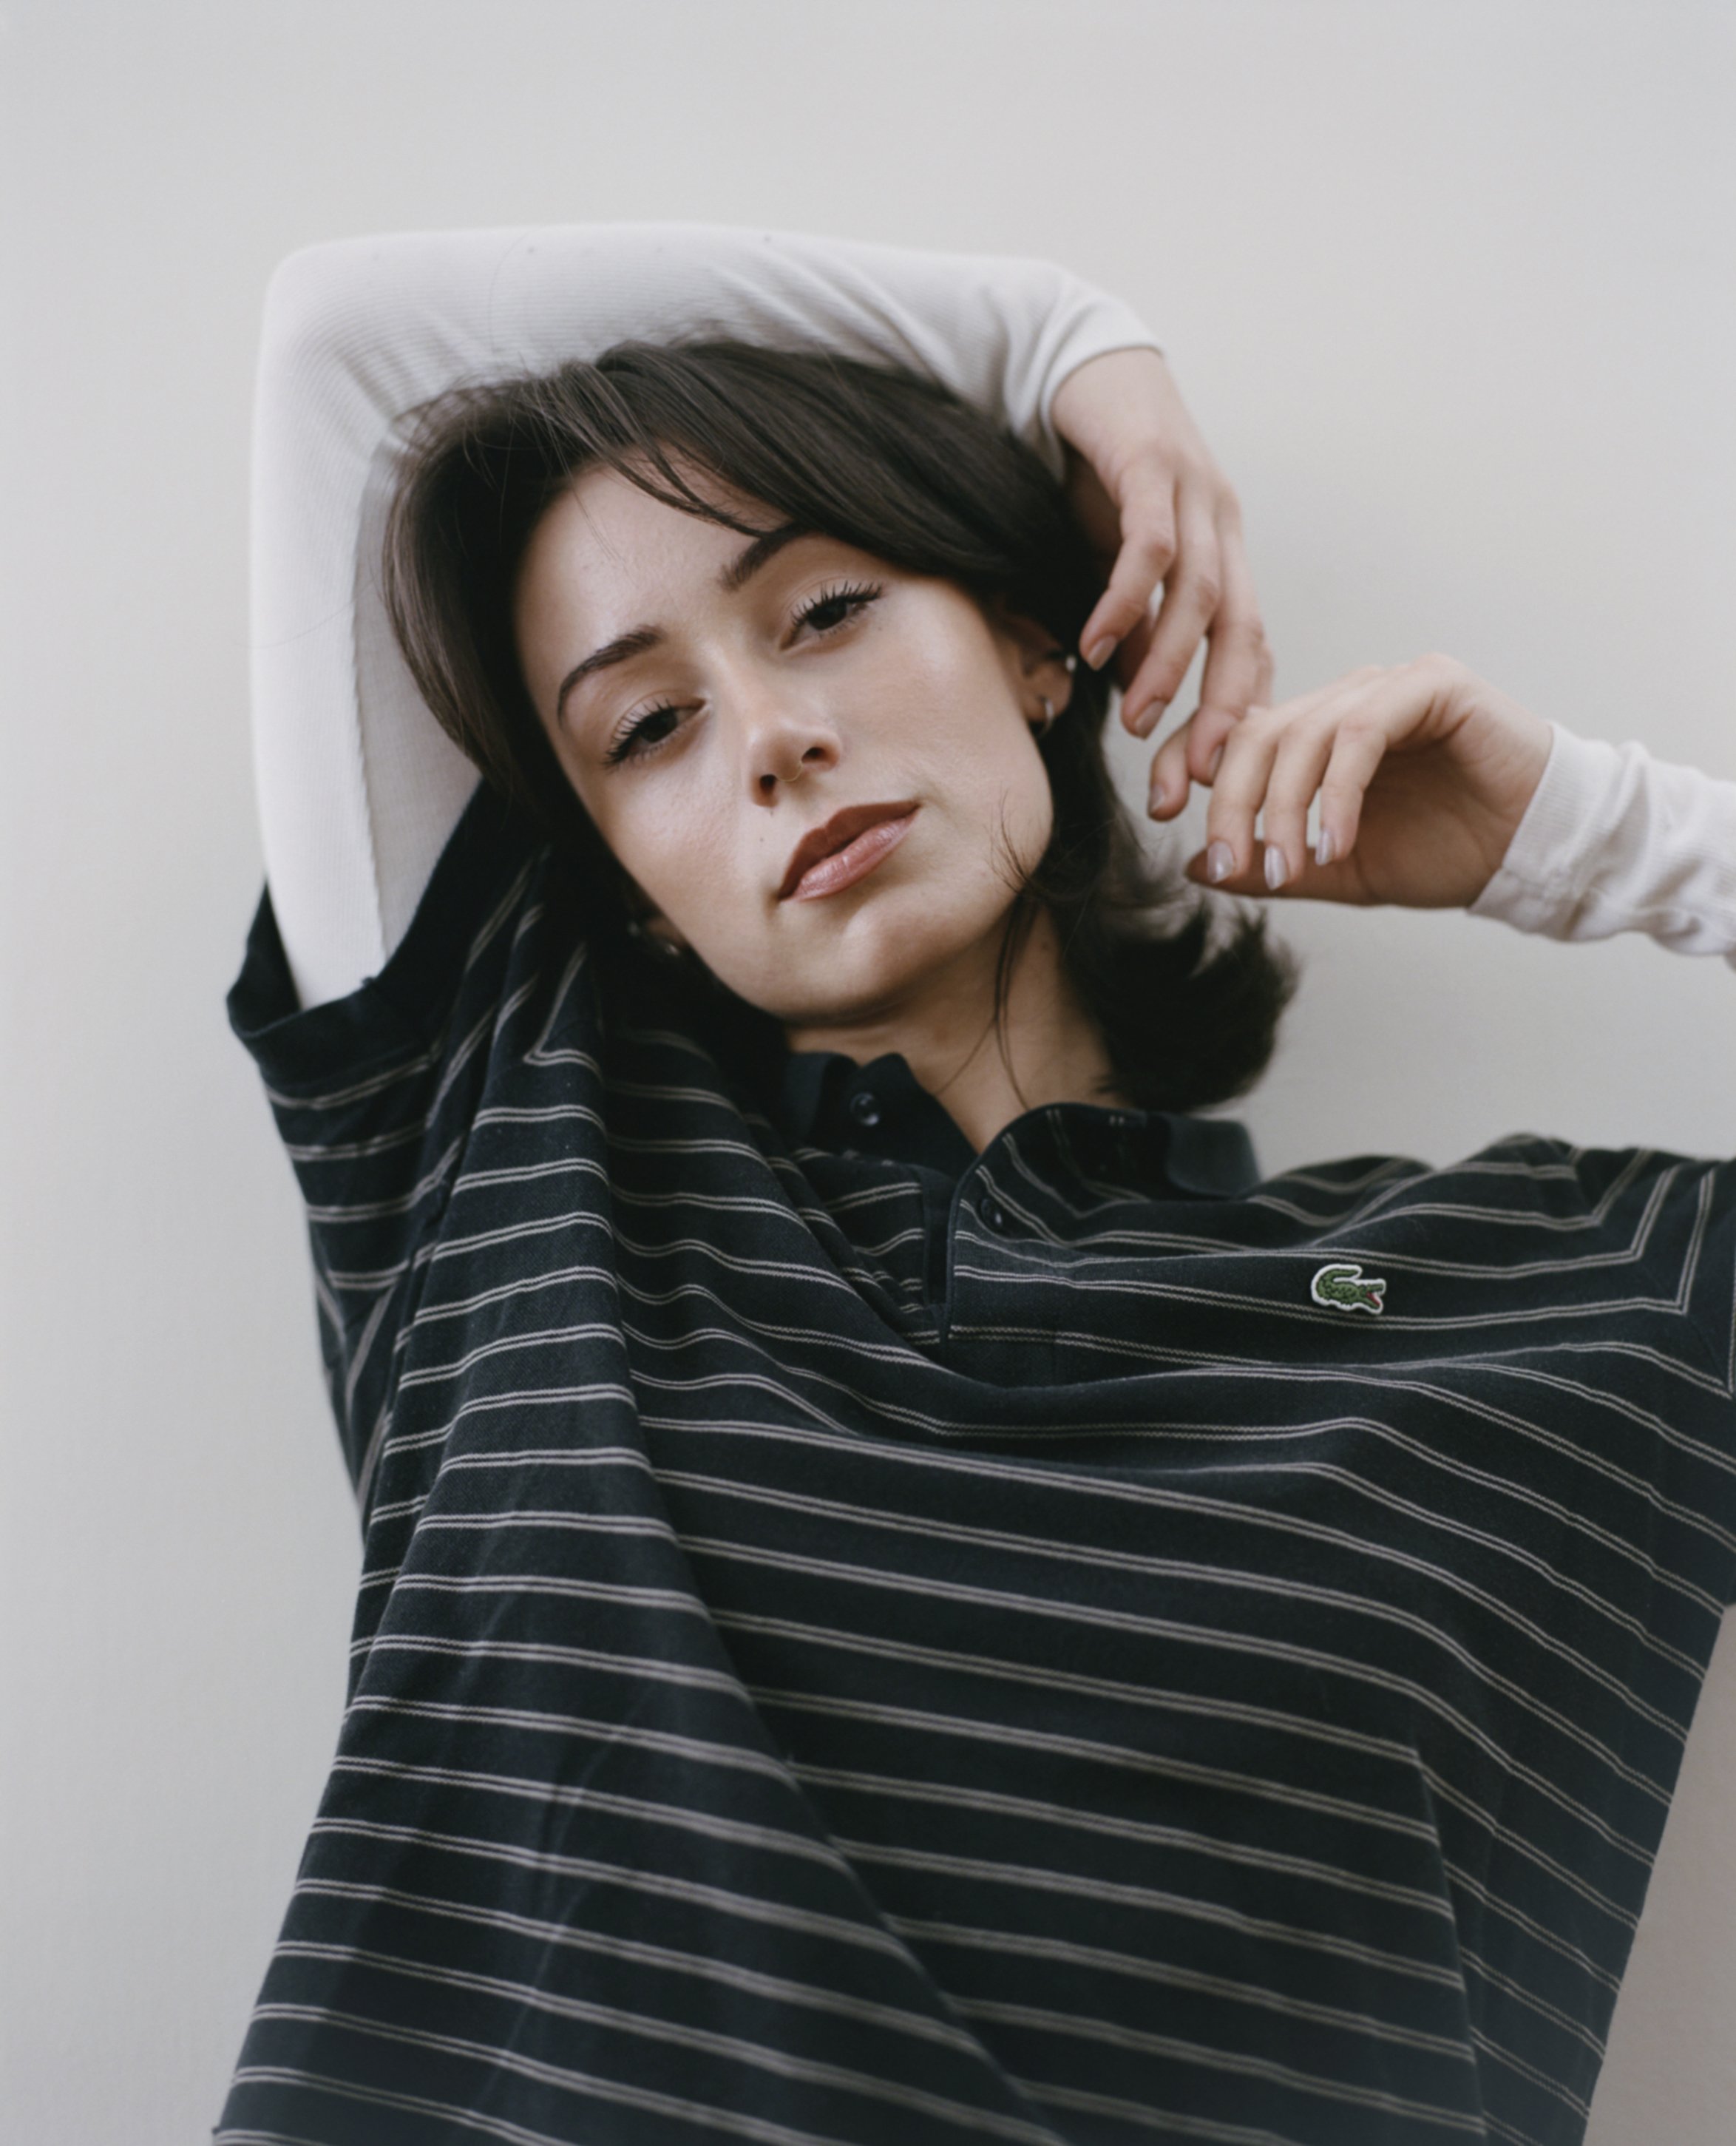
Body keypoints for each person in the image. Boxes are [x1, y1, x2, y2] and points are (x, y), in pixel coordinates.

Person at [219, 226, 1736, 2146]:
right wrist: (1062, 344)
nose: (770, 736)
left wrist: (1598, 844)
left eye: (826, 608)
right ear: (625, 888)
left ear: (1039, 643)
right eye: (648, 728)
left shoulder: (1544, 1282)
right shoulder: (502, 1155)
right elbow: (348, 347)